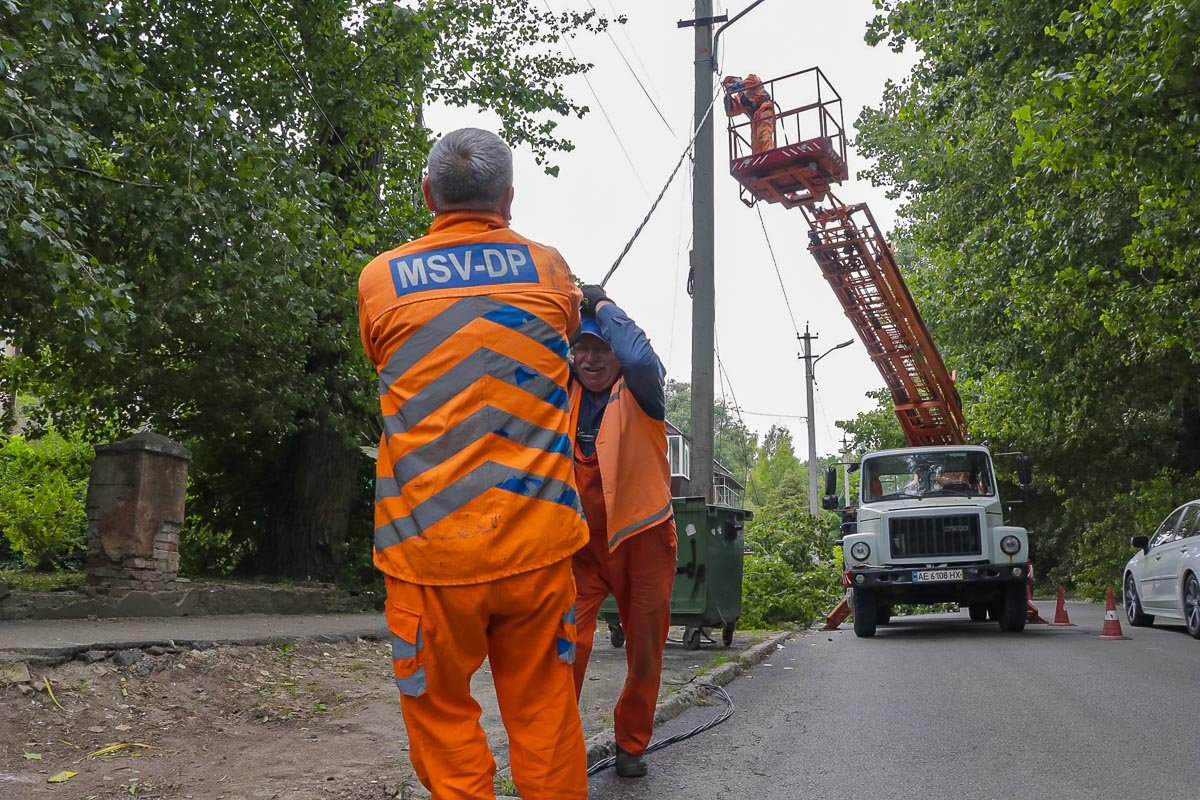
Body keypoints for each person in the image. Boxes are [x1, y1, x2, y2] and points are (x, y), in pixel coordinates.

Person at [357, 128, 589, 800]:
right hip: (538, 543)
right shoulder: (548, 269)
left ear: (428, 194)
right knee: (545, 716)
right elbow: (569, 328)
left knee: (441, 717)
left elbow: (383, 354)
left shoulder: (382, 278)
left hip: (427, 553)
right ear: (508, 199)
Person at [568, 285, 677, 778]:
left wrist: (603, 306)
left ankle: (631, 744)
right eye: (582, 349)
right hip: (581, 546)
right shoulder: (559, 392)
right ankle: (554, 747)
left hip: (643, 539)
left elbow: (637, 353)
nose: (591, 360)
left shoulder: (641, 388)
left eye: (600, 349)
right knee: (562, 644)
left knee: (645, 650)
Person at [723, 73, 776, 153]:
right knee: (755, 143)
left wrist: (736, 86)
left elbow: (753, 81)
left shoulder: (751, 80)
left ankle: (770, 152)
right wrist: (728, 98)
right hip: (755, 117)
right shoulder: (740, 98)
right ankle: (759, 159)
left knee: (764, 132)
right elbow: (731, 112)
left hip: (765, 109)